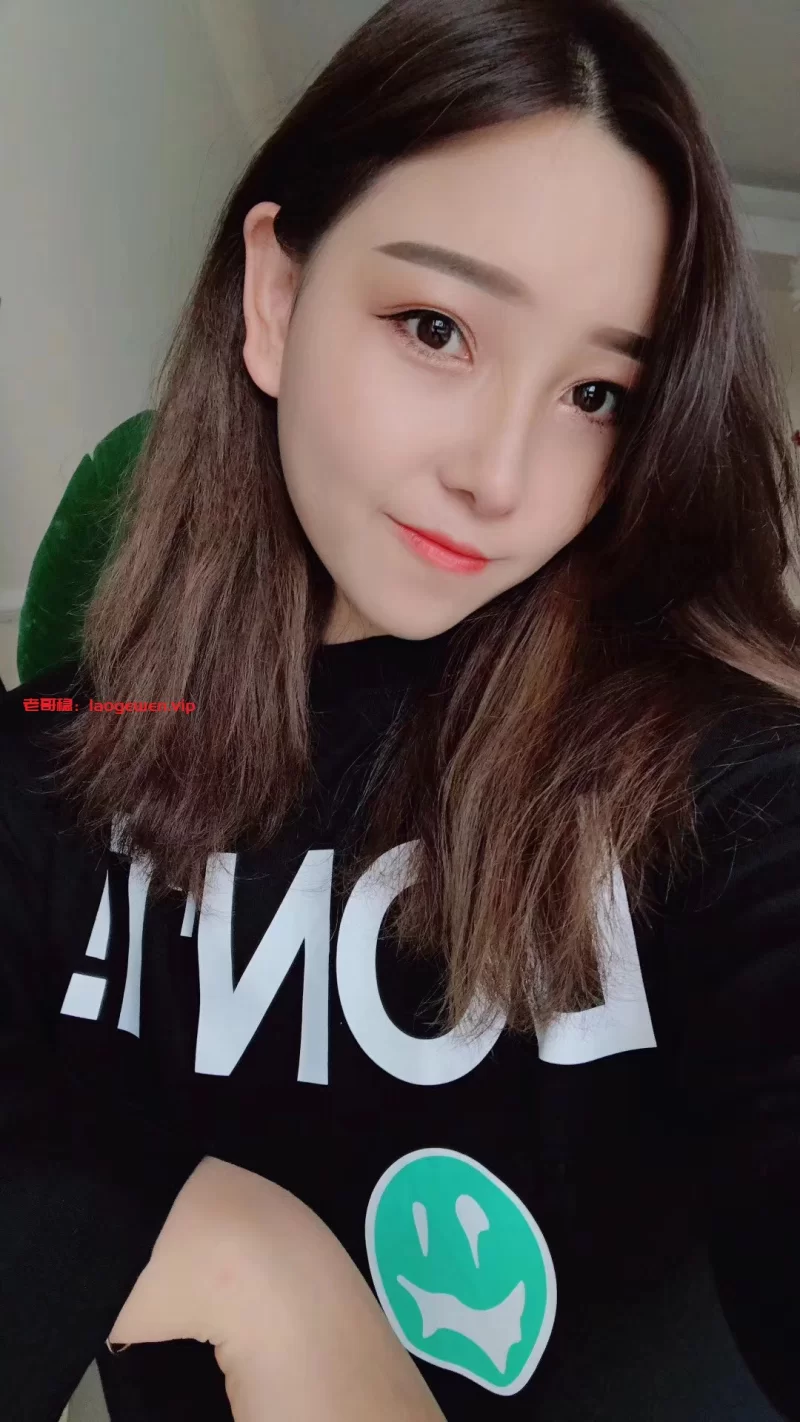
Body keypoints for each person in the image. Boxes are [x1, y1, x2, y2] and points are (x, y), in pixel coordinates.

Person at [1, 0, 799, 1418]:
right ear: (276, 300)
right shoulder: (64, 765)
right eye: (437, 328)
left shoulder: (707, 792)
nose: (502, 474)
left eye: (599, 393)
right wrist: (242, 1258)